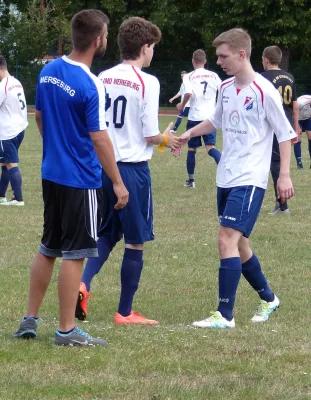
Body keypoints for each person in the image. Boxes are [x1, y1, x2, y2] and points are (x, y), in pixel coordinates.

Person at [14, 9, 129, 346]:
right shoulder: (91, 82)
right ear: (98, 40)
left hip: (51, 174)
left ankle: (29, 319)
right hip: (80, 179)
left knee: (48, 247)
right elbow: (99, 138)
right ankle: (66, 330)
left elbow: (39, 115)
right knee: (75, 253)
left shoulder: (49, 71)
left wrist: (56, 148)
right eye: (106, 34)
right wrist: (118, 182)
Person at [179, 28, 296, 328]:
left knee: (226, 239)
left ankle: (224, 315)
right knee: (239, 243)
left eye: (223, 56)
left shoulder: (264, 91)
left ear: (242, 55)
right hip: (226, 176)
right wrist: (190, 132)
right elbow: (216, 120)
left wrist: (283, 176)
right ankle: (269, 298)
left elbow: (285, 135)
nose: (218, 61)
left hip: (250, 178)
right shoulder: (227, 87)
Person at [75, 17, 180, 325]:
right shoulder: (148, 81)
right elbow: (149, 134)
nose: (153, 53)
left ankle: (83, 283)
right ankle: (124, 311)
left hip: (102, 167)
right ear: (145, 47)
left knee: (107, 232)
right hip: (132, 171)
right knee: (135, 240)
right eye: (154, 48)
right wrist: (167, 139)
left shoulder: (102, 76)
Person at [261, 46, 300, 216]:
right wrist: (296, 127)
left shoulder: (262, 78)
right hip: (287, 123)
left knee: (274, 164)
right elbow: (295, 105)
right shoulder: (289, 77)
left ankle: (282, 205)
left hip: (271, 125)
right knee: (275, 162)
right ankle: (280, 202)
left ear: (266, 60)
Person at [177, 49, 222, 188]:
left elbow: (188, 93)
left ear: (193, 61)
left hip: (195, 117)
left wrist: (182, 105)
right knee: (210, 147)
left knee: (192, 149)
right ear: (205, 61)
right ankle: (227, 173)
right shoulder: (214, 75)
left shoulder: (188, 76)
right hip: (210, 118)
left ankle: (191, 181)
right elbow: (223, 90)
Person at [0, 56, 28, 206]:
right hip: (20, 128)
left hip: (7, 131)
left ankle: (18, 199)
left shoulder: (3, 86)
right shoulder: (16, 82)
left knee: (10, 163)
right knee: (5, 163)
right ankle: (1, 196)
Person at [297, 95, 311, 167]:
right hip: (298, 118)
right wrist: (296, 125)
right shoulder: (301, 103)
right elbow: (294, 112)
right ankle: (299, 164)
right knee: (298, 138)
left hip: (307, 118)